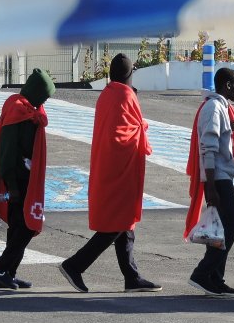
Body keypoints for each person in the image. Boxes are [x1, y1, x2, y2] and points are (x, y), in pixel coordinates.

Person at [59, 54, 161, 293]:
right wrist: (141, 127)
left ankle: (131, 276)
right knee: (119, 222)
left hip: (107, 161)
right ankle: (75, 265)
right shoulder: (126, 95)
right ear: (129, 74)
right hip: (121, 167)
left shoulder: (106, 93)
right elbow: (132, 129)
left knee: (125, 224)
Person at [184, 67, 234, 297]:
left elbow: (220, 137)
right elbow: (208, 146)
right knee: (230, 226)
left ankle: (215, 278)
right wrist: (210, 184)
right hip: (217, 177)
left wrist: (232, 129)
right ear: (227, 85)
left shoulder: (222, 108)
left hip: (221, 176)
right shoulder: (214, 108)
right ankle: (203, 274)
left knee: (221, 228)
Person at [0, 69, 56, 289]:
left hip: (27, 179)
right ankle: (0, 266)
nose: (45, 100)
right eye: (44, 95)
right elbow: (6, 151)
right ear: (35, 91)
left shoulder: (31, 110)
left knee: (18, 227)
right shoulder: (17, 109)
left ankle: (7, 273)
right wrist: (11, 185)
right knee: (25, 226)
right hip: (16, 180)